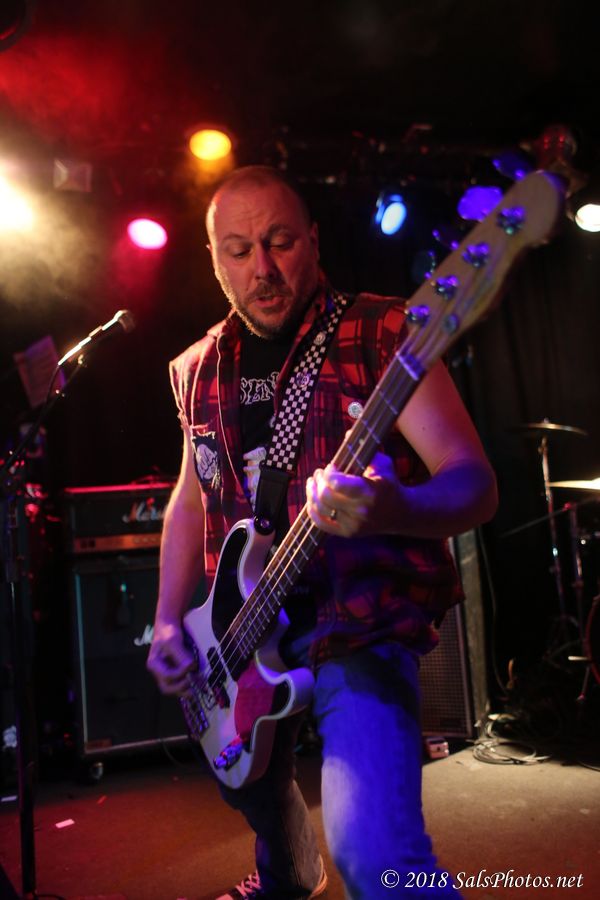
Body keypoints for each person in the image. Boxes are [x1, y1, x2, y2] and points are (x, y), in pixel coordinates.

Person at [147, 165, 498, 899]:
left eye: (279, 242)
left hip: (358, 621)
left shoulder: (384, 332)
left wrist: (394, 508)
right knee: (247, 782)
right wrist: (169, 620)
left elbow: (474, 483)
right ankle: (287, 873)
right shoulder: (196, 368)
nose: (263, 268)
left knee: (374, 856)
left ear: (312, 240)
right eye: (239, 250)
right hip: (241, 631)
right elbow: (189, 500)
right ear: (214, 260)